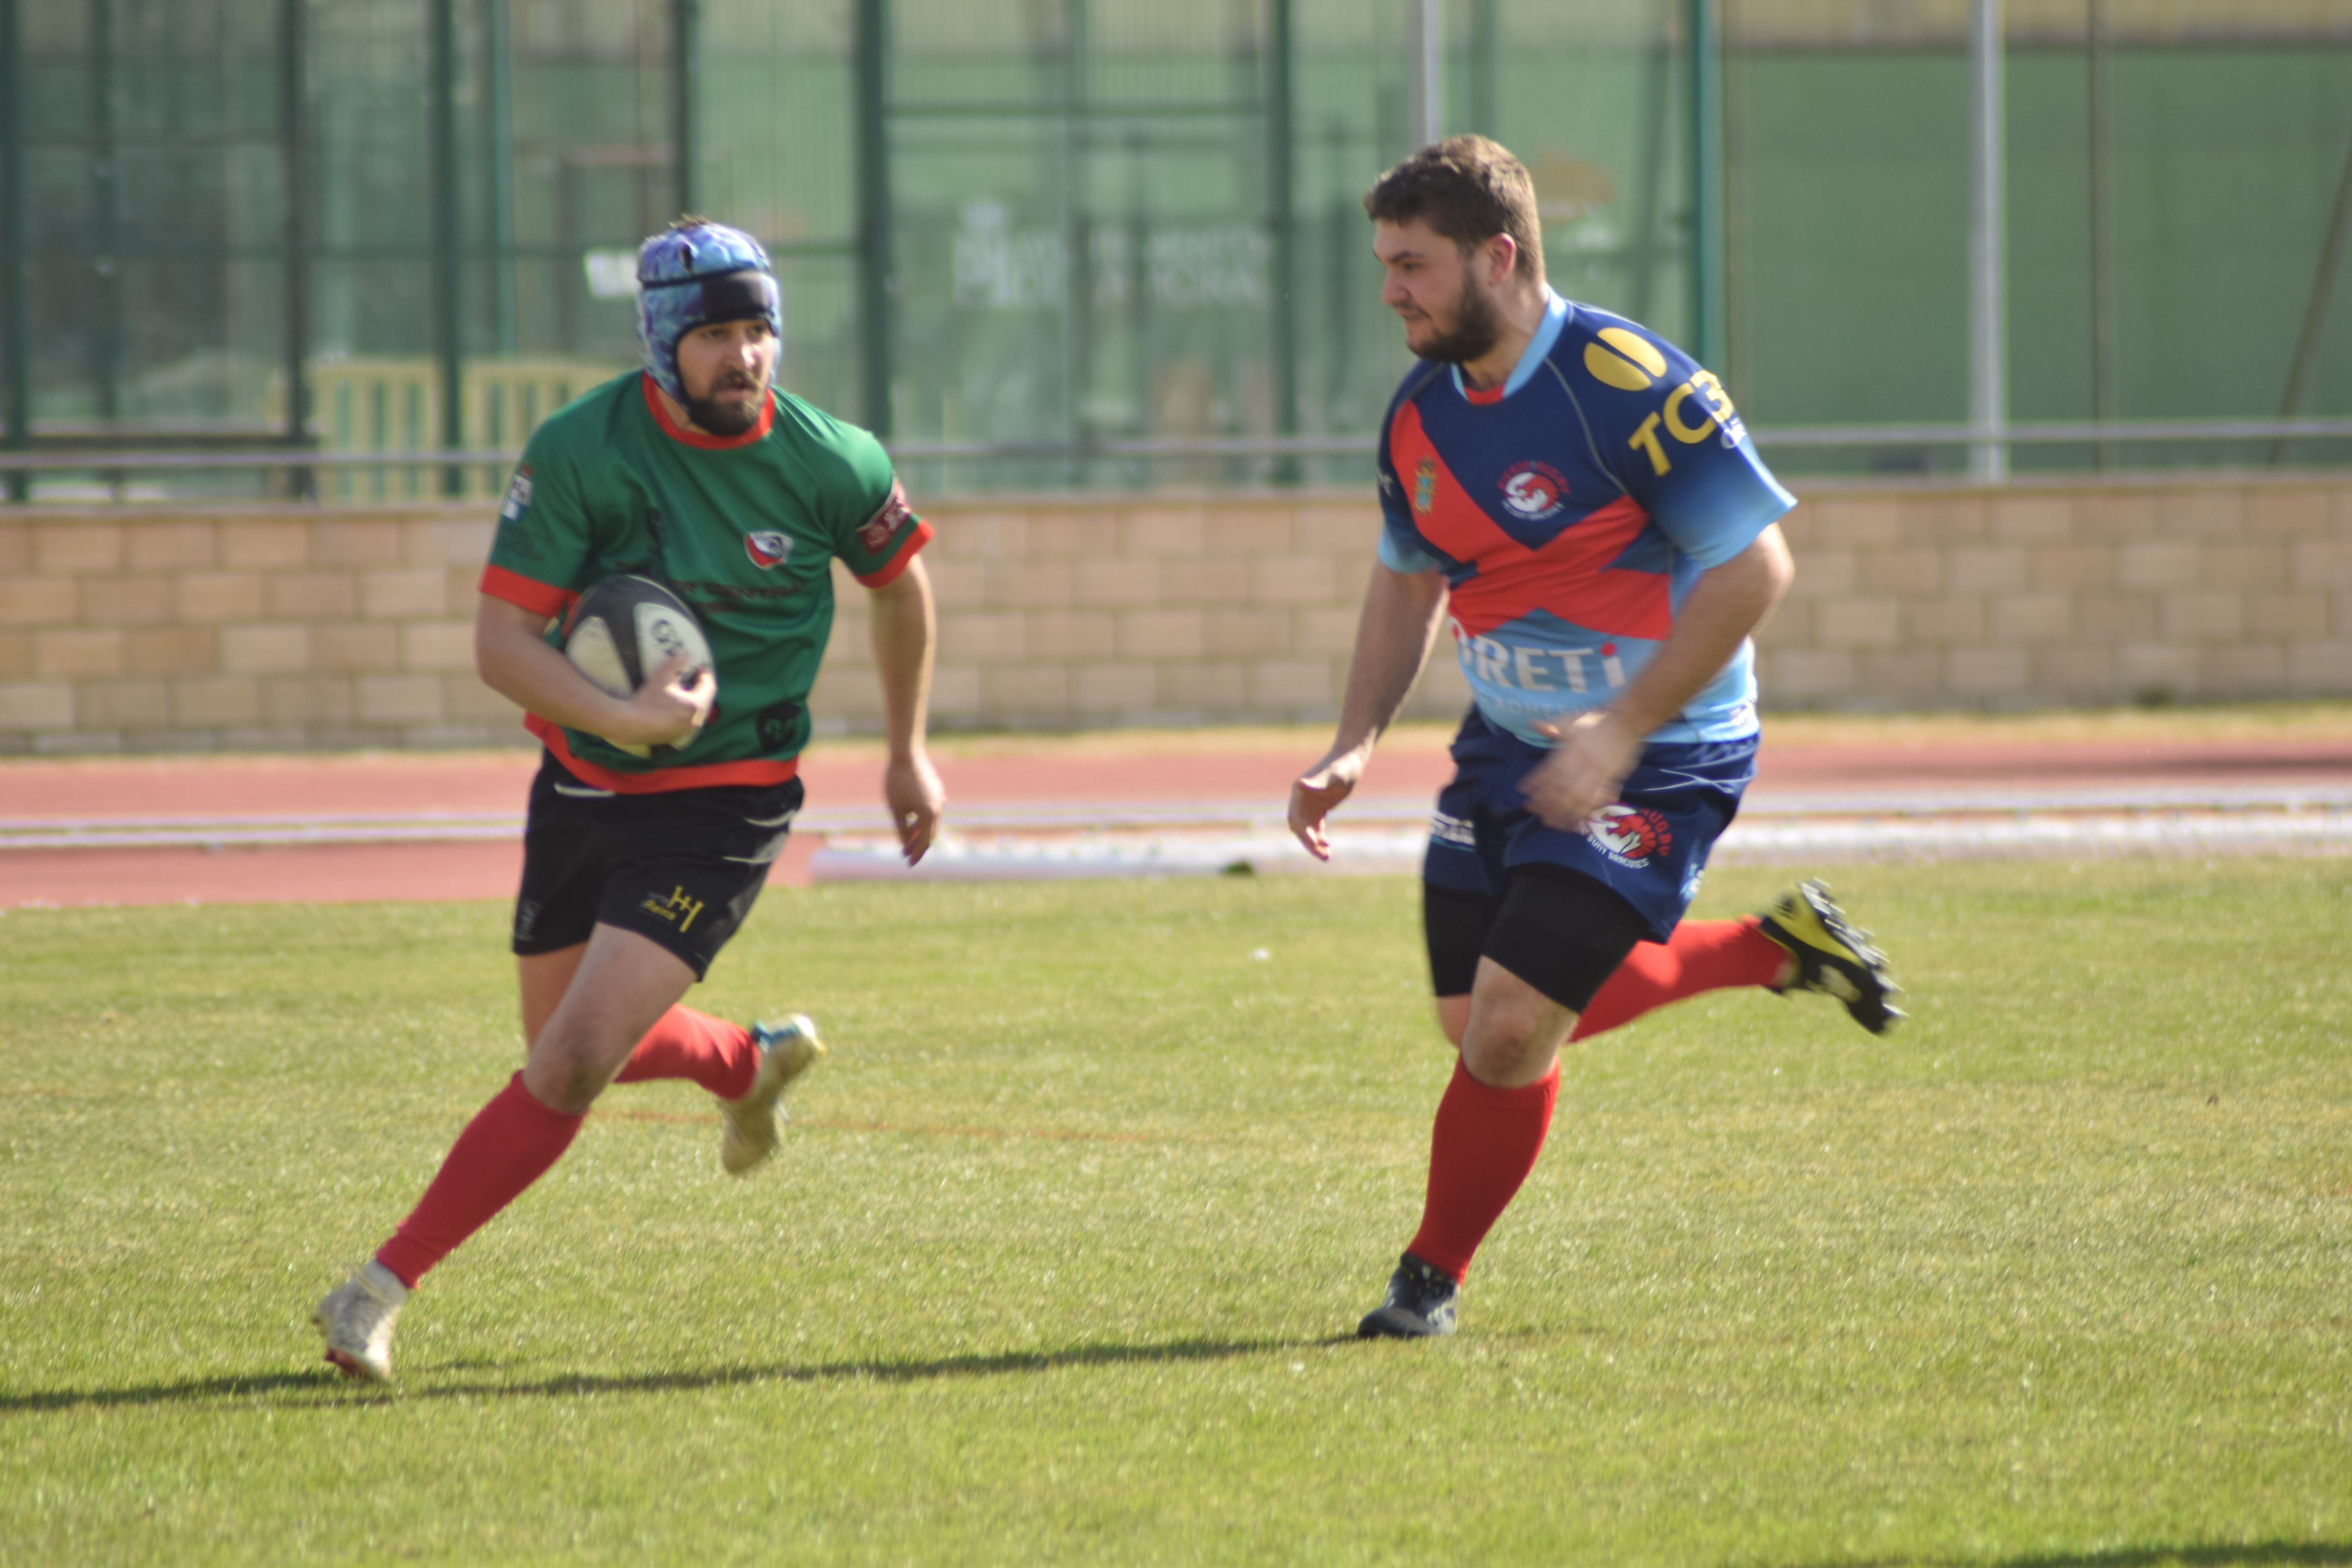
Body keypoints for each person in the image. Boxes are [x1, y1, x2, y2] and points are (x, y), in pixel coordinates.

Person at [1289, 138, 1903, 1341]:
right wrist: (1354, 739)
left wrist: (1620, 733)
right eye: (1385, 264)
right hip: (1506, 747)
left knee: (1513, 1029)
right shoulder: (1418, 416)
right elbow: (1408, 583)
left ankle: (1426, 1283)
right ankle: (1766, 950)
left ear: (1498, 256)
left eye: (1412, 265)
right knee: (1471, 1020)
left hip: (1662, 756)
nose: (1391, 292)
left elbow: (1756, 565)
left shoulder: (1630, 387)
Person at [312, 218, 944, 1381]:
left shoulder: (831, 457)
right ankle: (742, 1065)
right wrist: (624, 720)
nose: (743, 358)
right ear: (662, 343)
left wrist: (907, 750)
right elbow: (502, 641)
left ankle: (376, 1289)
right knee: (563, 1045)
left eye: (758, 331)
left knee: (565, 1067)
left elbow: (901, 589)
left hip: (728, 805)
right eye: (714, 336)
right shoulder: (582, 451)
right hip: (585, 784)